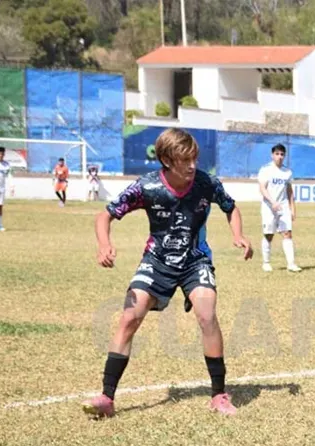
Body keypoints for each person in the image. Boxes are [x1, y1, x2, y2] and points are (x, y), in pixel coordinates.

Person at [82, 128, 253, 419]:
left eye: (194, 159)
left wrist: (238, 234)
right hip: (156, 261)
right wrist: (104, 244)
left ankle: (219, 395)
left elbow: (230, 207)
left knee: (207, 314)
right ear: (166, 160)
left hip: (195, 260)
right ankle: (107, 398)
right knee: (129, 317)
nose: (191, 166)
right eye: (184, 160)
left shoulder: (205, 183)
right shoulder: (146, 187)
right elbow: (105, 215)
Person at [257, 143, 300, 273]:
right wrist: (272, 202)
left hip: (283, 206)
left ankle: (291, 264)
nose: (279, 157)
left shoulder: (287, 172)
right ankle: (266, 262)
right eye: (277, 154)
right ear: (272, 155)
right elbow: (262, 188)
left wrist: (292, 208)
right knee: (269, 234)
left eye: (282, 154)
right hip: (269, 207)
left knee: (287, 233)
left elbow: (289, 191)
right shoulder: (266, 170)